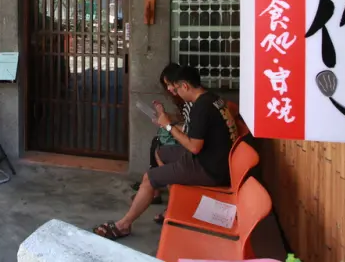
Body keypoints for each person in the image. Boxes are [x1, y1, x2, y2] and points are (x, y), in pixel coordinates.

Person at [93, 65, 239, 240]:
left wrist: (168, 126)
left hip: (208, 168)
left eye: (175, 88)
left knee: (149, 178)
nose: (174, 92)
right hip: (214, 160)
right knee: (161, 152)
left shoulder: (202, 107)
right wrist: (166, 120)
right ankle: (171, 204)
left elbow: (193, 147)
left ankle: (123, 225)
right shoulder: (213, 99)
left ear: (185, 86)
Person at [129, 62, 188, 205]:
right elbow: (185, 120)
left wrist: (167, 125)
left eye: (169, 85)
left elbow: (190, 129)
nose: (168, 89)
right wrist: (165, 116)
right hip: (187, 138)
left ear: (181, 83)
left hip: (189, 144)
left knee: (159, 145)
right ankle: (151, 182)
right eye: (166, 85)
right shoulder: (185, 100)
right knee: (157, 142)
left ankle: (153, 186)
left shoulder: (192, 100)